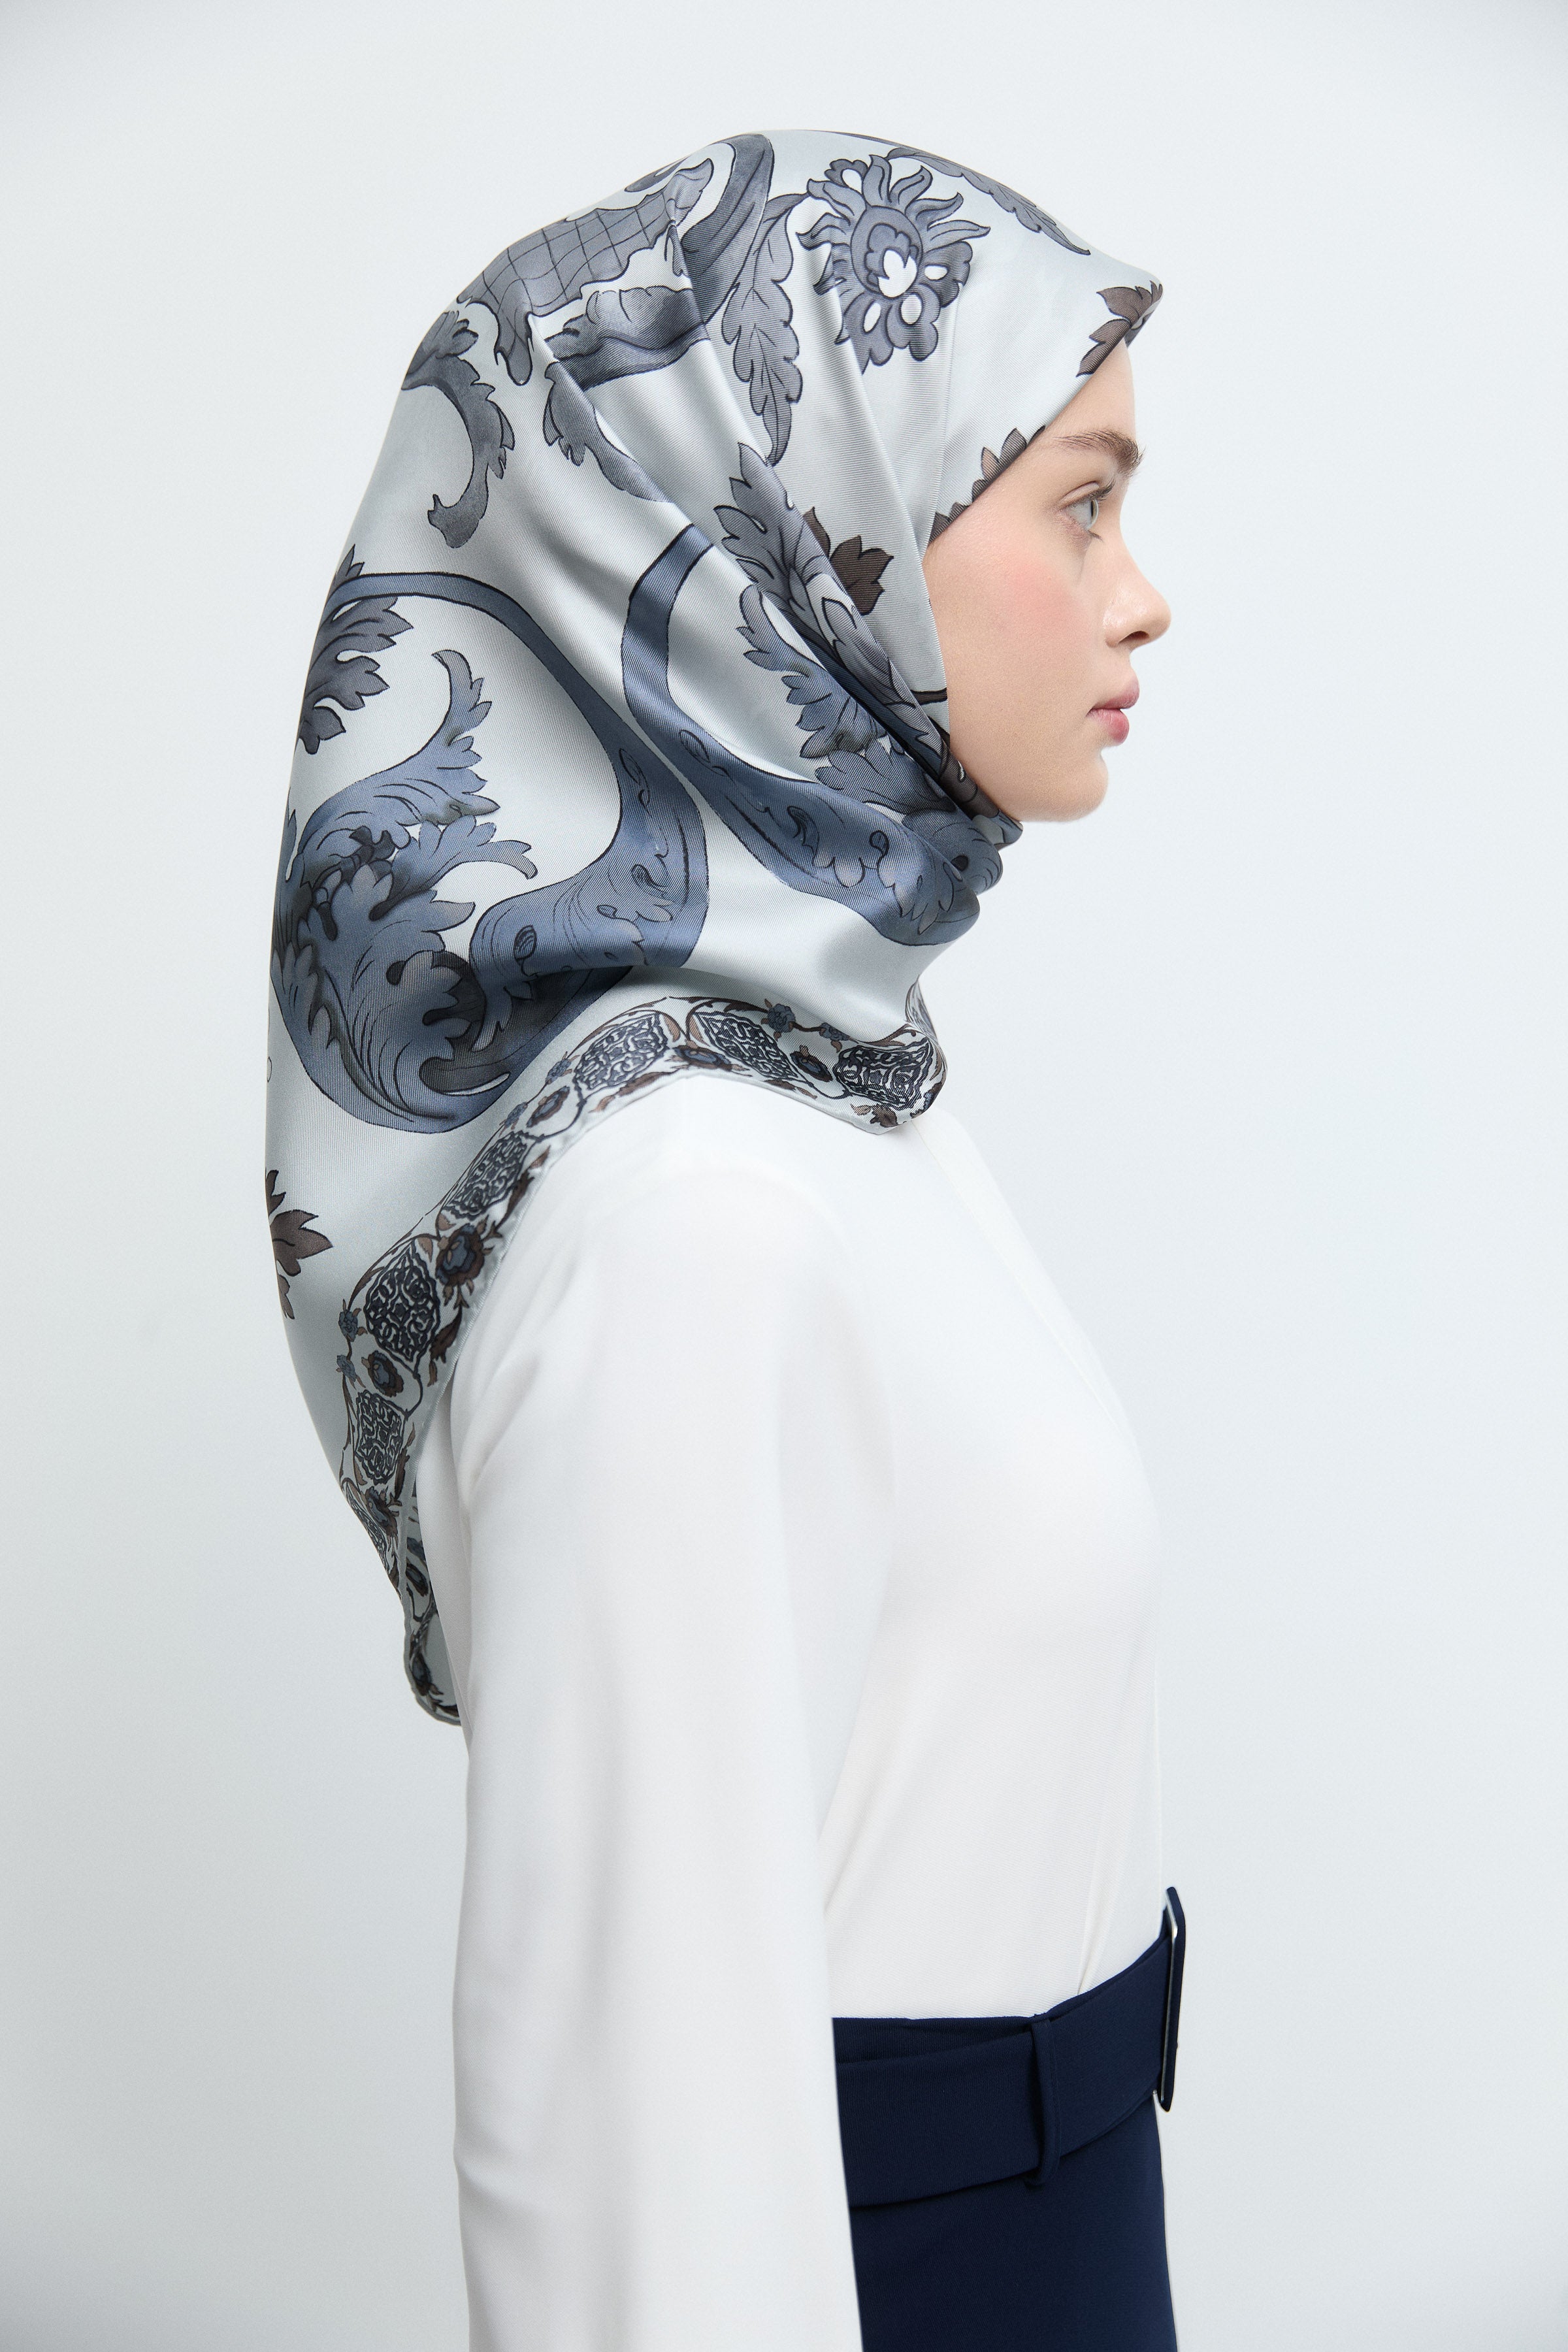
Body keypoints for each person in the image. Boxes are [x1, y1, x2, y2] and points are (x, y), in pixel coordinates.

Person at [267, 129, 1177, 2351]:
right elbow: (623, 2161)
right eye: (1079, 504)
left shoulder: (839, 1090)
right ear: (796, 536)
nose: (1143, 595)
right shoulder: (689, 1218)